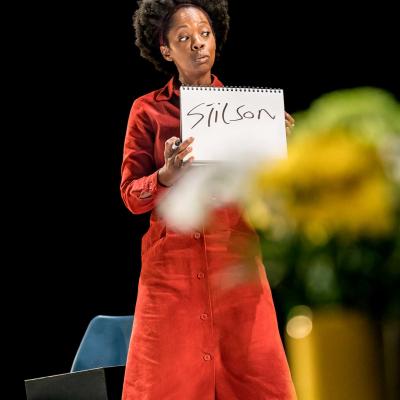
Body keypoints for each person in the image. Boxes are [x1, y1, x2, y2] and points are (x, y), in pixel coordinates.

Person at [120, 1, 297, 399]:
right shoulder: (147, 110)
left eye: (204, 34)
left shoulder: (251, 112)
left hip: (235, 266)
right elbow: (131, 196)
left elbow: (271, 195)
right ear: (165, 49)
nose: (198, 44)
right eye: (183, 38)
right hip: (172, 274)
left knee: (258, 384)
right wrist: (165, 176)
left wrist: (281, 150)